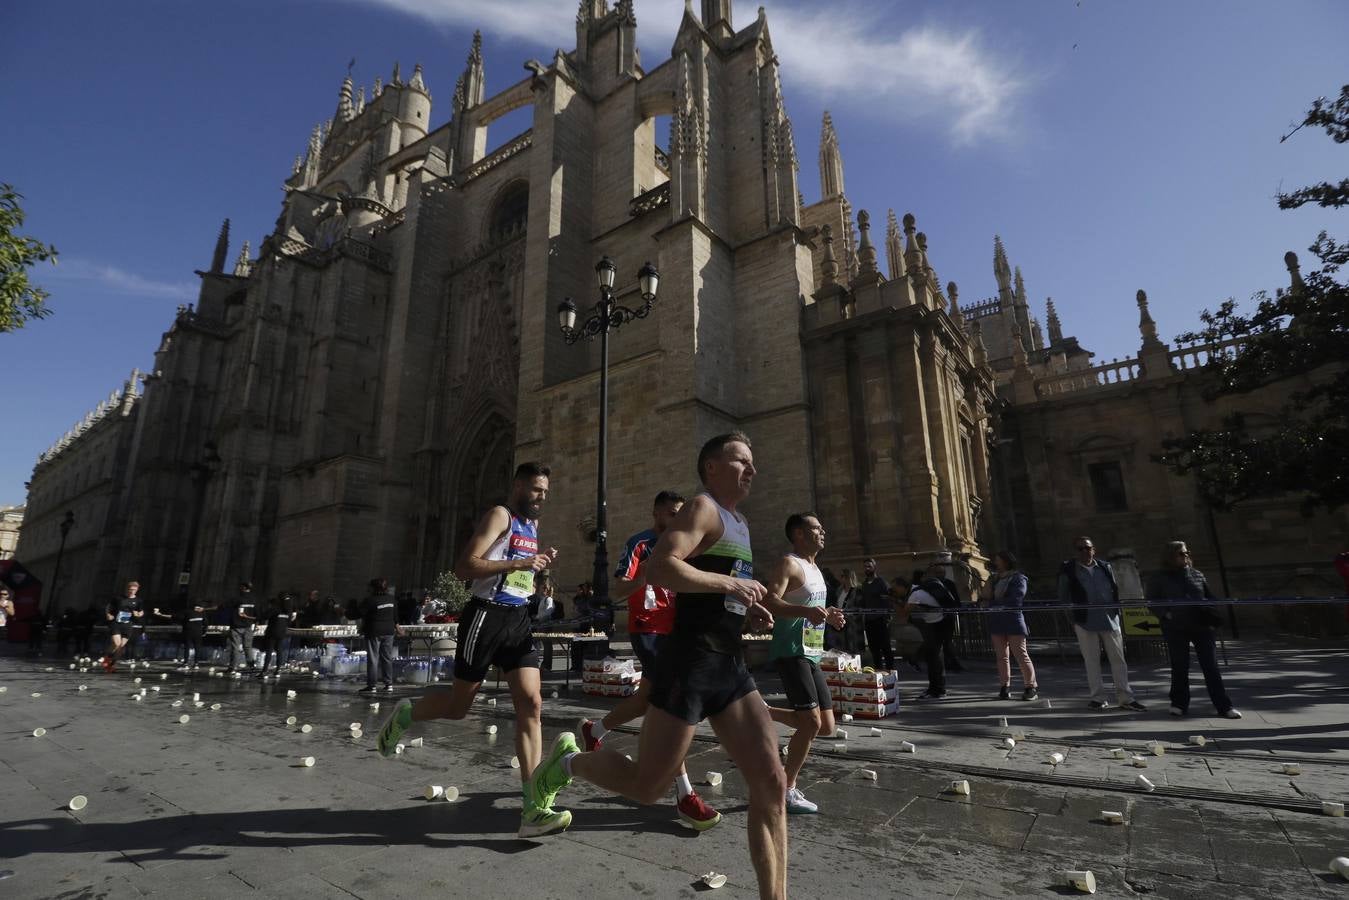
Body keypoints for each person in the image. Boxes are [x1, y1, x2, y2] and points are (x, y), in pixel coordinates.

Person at [528, 432, 790, 900]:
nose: (752, 470)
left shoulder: (741, 521)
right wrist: (727, 585)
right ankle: (567, 764)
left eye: (753, 462)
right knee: (647, 787)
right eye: (741, 461)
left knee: (771, 781)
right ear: (711, 467)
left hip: (730, 667)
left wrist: (748, 603)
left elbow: (718, 586)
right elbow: (661, 568)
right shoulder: (701, 508)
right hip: (687, 664)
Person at [376, 462, 565, 838]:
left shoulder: (533, 526)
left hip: (518, 619)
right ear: (517, 486)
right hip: (485, 618)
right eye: (536, 489)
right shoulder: (501, 515)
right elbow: (464, 567)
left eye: (545, 490)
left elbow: (517, 572)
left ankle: (533, 807)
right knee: (459, 707)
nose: (542, 496)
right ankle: (405, 714)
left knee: (532, 704)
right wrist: (521, 561)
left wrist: (537, 567)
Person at [576, 490, 721, 830]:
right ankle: (685, 795)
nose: (675, 519)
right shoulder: (639, 545)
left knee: (646, 700)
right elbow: (618, 590)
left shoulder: (686, 546)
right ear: (656, 513)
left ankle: (592, 729)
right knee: (673, 706)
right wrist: (649, 573)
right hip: (648, 630)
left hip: (677, 633)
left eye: (679, 514)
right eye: (670, 513)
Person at [762, 512, 846, 814]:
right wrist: (803, 611)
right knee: (810, 723)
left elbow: (813, 609)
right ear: (798, 533)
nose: (823, 531)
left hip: (811, 652)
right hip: (790, 649)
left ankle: (766, 711)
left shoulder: (814, 567)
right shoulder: (789, 563)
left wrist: (830, 613)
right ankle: (787, 789)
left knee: (826, 727)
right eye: (816, 528)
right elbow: (770, 601)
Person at [1147, 541, 1241, 719]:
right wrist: (1166, 615)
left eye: (1186, 553)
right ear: (1170, 557)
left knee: (1211, 666)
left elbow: (1209, 596)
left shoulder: (1197, 574)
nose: (1185, 556)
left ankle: (1224, 706)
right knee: (1180, 666)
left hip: (1201, 627)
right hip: (1176, 627)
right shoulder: (1159, 577)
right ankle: (1178, 703)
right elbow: (1151, 600)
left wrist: (1213, 613)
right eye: (1181, 554)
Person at [1058, 537, 1147, 711]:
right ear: (1075, 552)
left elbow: (1115, 588)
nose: (1085, 551)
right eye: (1080, 549)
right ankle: (1098, 697)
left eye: (1087, 548)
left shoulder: (1105, 567)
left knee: (1118, 659)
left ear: (1094, 549)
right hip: (1085, 620)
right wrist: (1072, 617)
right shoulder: (1069, 570)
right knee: (1092, 660)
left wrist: (1116, 610)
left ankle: (1126, 697)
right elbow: (1063, 596)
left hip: (1109, 618)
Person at [981, 551, 1038, 701]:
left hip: (1013, 619)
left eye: (998, 560)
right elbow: (984, 598)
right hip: (997, 620)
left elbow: (1016, 599)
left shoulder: (1018, 578)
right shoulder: (993, 579)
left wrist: (992, 603)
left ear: (1006, 562)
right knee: (1001, 657)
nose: (996, 563)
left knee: (1020, 654)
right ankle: (1004, 686)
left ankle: (1030, 686)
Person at [905, 563, 959, 699]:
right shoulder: (928, 589)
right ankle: (935, 688)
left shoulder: (915, 593)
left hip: (937, 624)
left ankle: (938, 689)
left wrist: (896, 602)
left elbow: (904, 611)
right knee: (934, 657)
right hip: (941, 622)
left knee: (934, 657)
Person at [359, 578, 398, 693]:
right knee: (387, 658)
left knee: (373, 658)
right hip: (389, 631)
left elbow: (359, 612)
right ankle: (389, 684)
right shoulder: (392, 600)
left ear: (373, 588)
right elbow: (396, 617)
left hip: (374, 631)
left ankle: (372, 686)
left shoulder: (370, 600)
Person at [860, 558, 894, 671]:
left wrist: (887, 618)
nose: (867, 569)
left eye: (869, 566)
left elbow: (888, 600)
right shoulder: (864, 584)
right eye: (865, 566)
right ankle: (878, 671)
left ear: (874, 567)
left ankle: (890, 671)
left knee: (885, 647)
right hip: (869, 621)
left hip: (881, 619)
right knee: (874, 649)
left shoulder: (881, 582)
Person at [103, 581, 145, 672]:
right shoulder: (118, 598)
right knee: (116, 644)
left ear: (137, 590)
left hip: (128, 624)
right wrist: (108, 614)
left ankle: (111, 665)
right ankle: (107, 658)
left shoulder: (138, 601)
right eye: (130, 590)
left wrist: (138, 614)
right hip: (116, 623)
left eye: (134, 590)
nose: (132, 592)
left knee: (121, 647)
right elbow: (108, 607)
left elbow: (141, 612)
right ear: (127, 589)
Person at [528, 574, 563, 670]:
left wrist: (537, 617)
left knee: (545, 644)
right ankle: (539, 662)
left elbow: (547, 612)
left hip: (545, 624)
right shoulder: (543, 599)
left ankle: (546, 664)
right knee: (537, 643)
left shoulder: (548, 599)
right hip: (541, 624)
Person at [259, 592, 297, 678]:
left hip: (272, 632)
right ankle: (278, 670)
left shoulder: (275, 609)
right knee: (279, 650)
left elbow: (264, 616)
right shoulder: (288, 611)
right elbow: (289, 622)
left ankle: (265, 670)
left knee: (269, 650)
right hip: (282, 632)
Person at [226, 582, 258, 674]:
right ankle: (251, 666)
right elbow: (257, 614)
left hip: (236, 626)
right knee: (248, 647)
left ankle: (233, 667)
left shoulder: (237, 598)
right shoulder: (254, 599)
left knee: (235, 647)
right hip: (248, 626)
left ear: (243, 587)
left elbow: (224, 606)